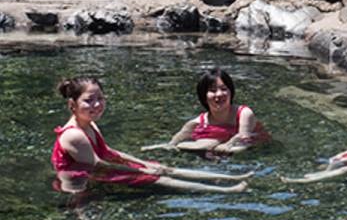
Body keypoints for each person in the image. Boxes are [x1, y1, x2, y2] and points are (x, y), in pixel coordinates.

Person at [52, 76, 251, 195]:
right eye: (89, 100)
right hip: (89, 177)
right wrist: (143, 172)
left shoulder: (90, 123)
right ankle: (226, 190)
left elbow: (109, 152)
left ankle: (229, 176)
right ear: (72, 105)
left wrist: (143, 163)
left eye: (100, 98)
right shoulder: (74, 136)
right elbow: (99, 165)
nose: (97, 105)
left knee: (164, 168)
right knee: (160, 179)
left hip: (105, 169)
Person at [142, 67, 270, 155]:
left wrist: (220, 145)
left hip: (255, 152)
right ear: (204, 96)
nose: (219, 94)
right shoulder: (197, 123)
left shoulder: (244, 113)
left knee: (211, 143)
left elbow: (243, 143)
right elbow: (173, 144)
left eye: (224, 89)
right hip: (213, 152)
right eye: (213, 90)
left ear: (231, 91)